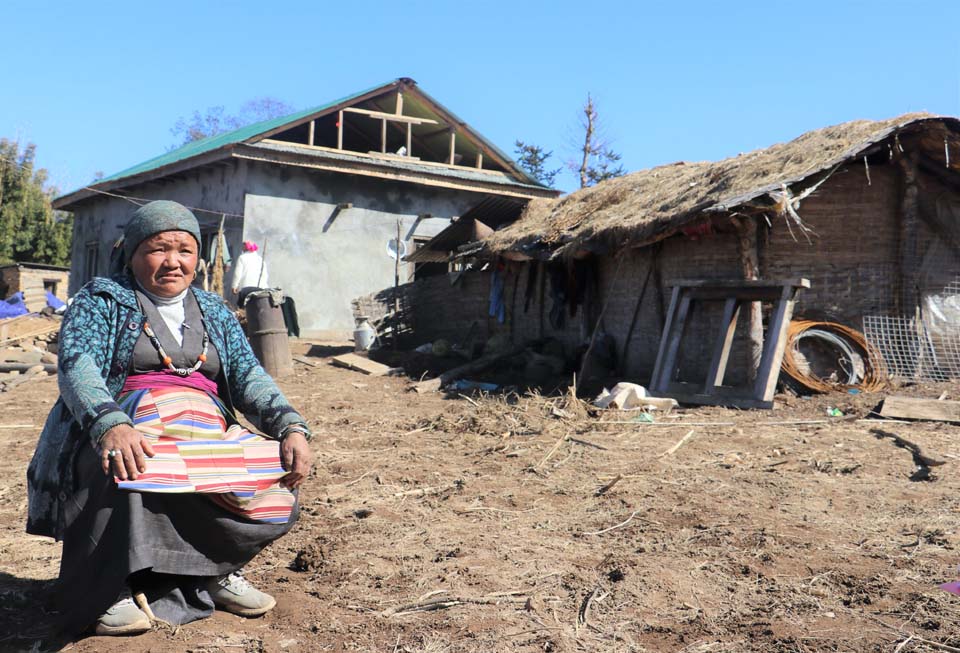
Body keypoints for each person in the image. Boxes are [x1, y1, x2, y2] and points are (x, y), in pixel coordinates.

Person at [26, 200, 314, 637]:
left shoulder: (214, 311)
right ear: (132, 253)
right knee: (128, 461)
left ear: (198, 257)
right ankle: (108, 590)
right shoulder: (102, 300)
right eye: (159, 249)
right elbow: (77, 366)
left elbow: (249, 375)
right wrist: (110, 423)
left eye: (185, 250)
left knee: (273, 471)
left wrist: (290, 425)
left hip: (204, 432)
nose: (173, 262)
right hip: (122, 424)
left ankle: (213, 572)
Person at [231, 240, 269, 307]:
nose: (242, 247)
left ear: (246, 247)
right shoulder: (260, 259)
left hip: (245, 289)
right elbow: (265, 275)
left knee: (244, 308)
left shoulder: (242, 258)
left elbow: (237, 274)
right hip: (259, 290)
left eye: (243, 245)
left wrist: (234, 286)